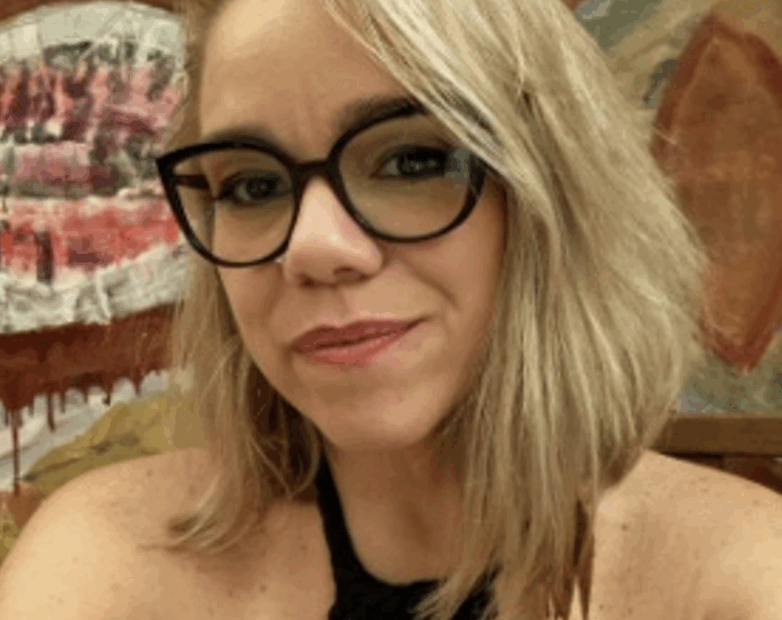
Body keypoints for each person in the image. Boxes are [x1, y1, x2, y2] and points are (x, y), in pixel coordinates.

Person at [1, 0, 782, 618]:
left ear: (555, 196)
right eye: (253, 185)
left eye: (411, 160)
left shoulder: (739, 580)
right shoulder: (105, 562)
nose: (311, 246)